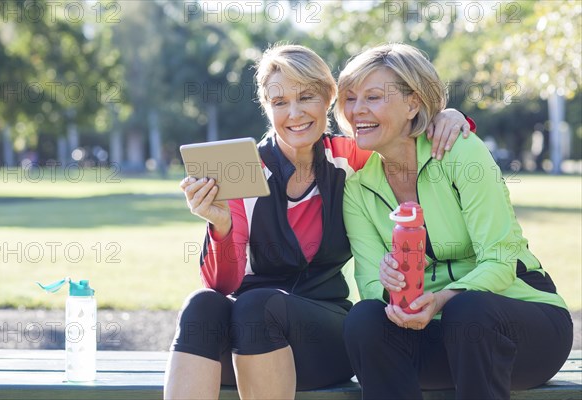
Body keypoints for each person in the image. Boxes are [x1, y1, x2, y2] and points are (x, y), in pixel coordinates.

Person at [164, 44, 473, 400]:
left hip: (322, 338)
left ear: (329, 98)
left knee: (255, 306)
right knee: (201, 305)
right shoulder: (243, 172)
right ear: (267, 108)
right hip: (246, 343)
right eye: (280, 103)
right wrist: (220, 227)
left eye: (306, 97)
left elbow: (404, 135)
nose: (294, 113)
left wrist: (448, 116)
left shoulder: (351, 156)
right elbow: (222, 283)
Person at [339, 43, 573, 400]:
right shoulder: (357, 188)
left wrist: (445, 298)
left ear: (413, 103)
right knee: (364, 319)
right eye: (350, 98)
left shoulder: (461, 151)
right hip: (433, 336)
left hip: (521, 330)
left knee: (468, 310)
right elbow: (370, 283)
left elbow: (499, 258)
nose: (357, 110)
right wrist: (392, 290)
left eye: (372, 97)